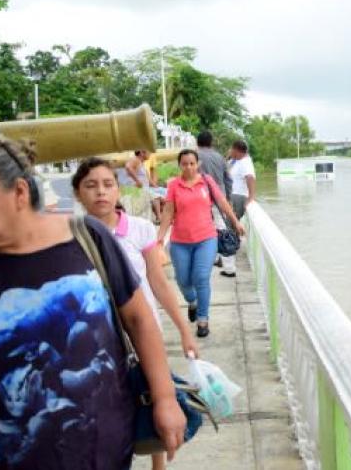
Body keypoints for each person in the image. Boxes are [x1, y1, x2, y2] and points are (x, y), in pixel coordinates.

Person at [0, 132, 186, 469]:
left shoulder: (87, 239)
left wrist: (165, 398)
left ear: (20, 192)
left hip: (103, 449)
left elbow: (140, 320)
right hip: (8, 455)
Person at [72, 157, 199, 470]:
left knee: (152, 392)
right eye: (90, 186)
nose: (100, 192)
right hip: (99, 339)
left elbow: (157, 281)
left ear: (118, 189)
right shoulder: (73, 235)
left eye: (107, 184)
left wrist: (184, 329)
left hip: (144, 331)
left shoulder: (140, 229)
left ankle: (159, 464)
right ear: (77, 193)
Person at [157, 149, 245, 338]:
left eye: (192, 163)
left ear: (198, 164)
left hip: (206, 238)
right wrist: (159, 239)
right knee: (183, 280)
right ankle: (192, 301)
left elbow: (222, 202)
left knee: (201, 277)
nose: (188, 167)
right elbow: (168, 212)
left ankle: (203, 319)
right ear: (179, 165)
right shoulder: (173, 185)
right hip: (180, 242)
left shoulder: (206, 181)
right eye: (184, 163)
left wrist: (236, 222)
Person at [194, 131, 231, 269]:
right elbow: (228, 179)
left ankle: (212, 257)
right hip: (219, 197)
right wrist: (228, 198)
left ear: (198, 142)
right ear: (211, 142)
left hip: (201, 197)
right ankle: (226, 262)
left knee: (204, 229)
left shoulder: (195, 156)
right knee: (221, 227)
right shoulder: (220, 157)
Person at [221, 140, 256, 277]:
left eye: (232, 149)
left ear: (237, 150)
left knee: (229, 228)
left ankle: (229, 267)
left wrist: (251, 197)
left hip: (238, 197)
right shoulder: (236, 161)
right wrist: (228, 156)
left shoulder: (245, 162)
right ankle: (228, 260)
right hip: (233, 196)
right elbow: (225, 168)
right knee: (230, 228)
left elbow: (250, 178)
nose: (230, 151)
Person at [122, 150, 167, 223]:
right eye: (149, 152)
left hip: (147, 187)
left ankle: (165, 216)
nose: (150, 154)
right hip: (138, 189)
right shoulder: (136, 160)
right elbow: (128, 167)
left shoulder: (142, 163)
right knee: (157, 197)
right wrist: (137, 181)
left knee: (166, 193)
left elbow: (149, 180)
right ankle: (159, 218)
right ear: (142, 153)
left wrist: (157, 187)